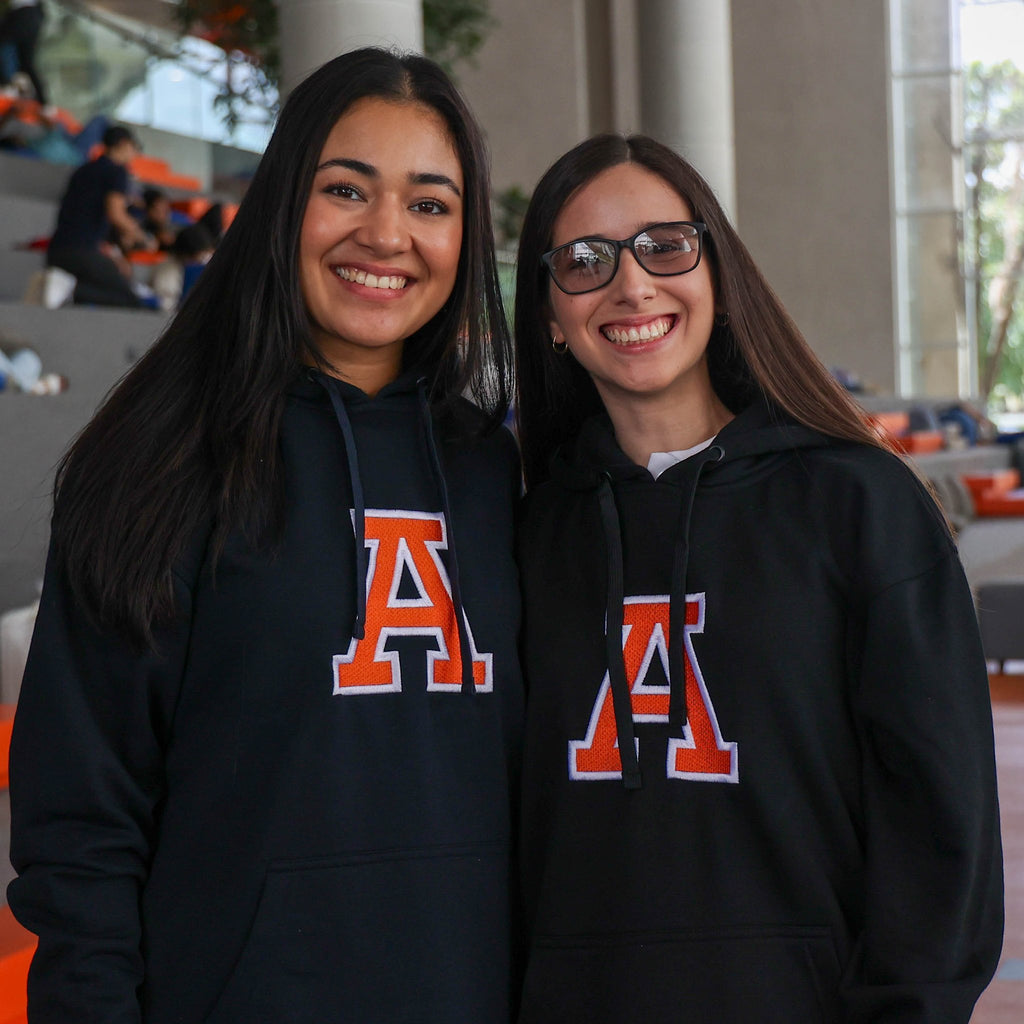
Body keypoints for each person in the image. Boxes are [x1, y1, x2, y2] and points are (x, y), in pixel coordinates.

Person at [8, 47, 523, 1023]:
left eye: (429, 203)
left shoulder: (499, 475)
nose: (386, 234)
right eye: (345, 189)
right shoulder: (156, 459)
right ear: (284, 202)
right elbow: (82, 830)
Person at [513, 133, 1003, 1023]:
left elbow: (941, 823)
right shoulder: (528, 533)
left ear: (717, 273)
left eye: (664, 246)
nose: (631, 285)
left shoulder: (857, 502)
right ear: (549, 313)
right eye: (583, 261)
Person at [45, 123, 156, 308]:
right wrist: (145, 238)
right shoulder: (117, 171)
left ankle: (67, 289)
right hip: (81, 253)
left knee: (107, 287)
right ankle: (70, 290)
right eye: (134, 148)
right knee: (132, 301)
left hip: (57, 250)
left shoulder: (84, 170)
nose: (134, 154)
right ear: (123, 143)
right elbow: (116, 214)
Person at [0, 0, 47, 107]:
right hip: (28, 15)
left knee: (7, 47)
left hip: (24, 14)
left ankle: (8, 85)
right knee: (26, 61)